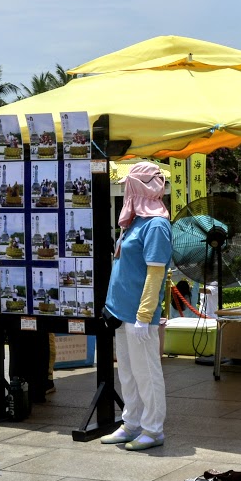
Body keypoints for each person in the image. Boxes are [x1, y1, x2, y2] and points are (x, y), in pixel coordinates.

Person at [101, 161, 174, 451]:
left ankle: (153, 430)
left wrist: (144, 315)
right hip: (121, 312)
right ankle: (131, 423)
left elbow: (155, 274)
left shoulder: (156, 225)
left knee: (147, 374)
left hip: (138, 315)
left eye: (127, 186)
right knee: (128, 374)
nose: (124, 191)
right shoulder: (135, 221)